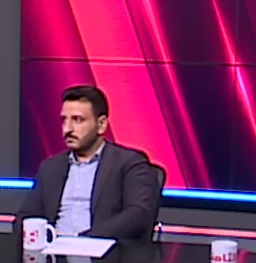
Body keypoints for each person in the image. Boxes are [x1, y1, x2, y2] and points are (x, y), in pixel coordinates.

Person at [14, 85, 161, 241]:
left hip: (104, 250)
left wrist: (87, 240)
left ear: (101, 124)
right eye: (64, 120)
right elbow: (26, 216)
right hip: (53, 251)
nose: (67, 129)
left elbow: (138, 214)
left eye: (78, 120)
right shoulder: (50, 167)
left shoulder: (129, 163)